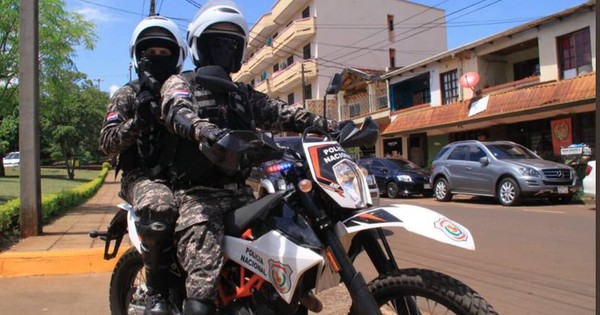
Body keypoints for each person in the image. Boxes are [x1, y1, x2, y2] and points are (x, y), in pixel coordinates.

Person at [157, 1, 341, 313]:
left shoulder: (242, 94)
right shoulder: (182, 83)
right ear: (199, 46)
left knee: (294, 241)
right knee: (203, 279)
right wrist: (203, 130)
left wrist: (334, 127)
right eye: (217, 42)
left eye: (232, 44)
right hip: (197, 198)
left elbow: (285, 113)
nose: (225, 50)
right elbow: (176, 109)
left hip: (244, 194)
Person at [99, 15, 188, 315]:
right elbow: (107, 143)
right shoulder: (128, 94)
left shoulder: (184, 91)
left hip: (183, 175)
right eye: (151, 53)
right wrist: (138, 121)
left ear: (177, 57)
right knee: (161, 206)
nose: (157, 58)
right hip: (140, 176)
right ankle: (157, 293)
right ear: (139, 57)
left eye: (165, 53)